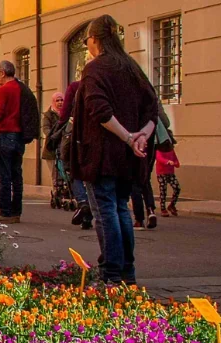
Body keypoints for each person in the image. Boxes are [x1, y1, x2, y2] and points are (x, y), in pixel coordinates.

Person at [67, 14, 160, 285]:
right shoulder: (131, 67)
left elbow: (100, 111)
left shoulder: (95, 69)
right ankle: (126, 272)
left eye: (87, 40)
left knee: (105, 211)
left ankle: (111, 274)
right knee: (120, 208)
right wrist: (141, 136)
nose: (87, 45)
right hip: (126, 157)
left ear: (95, 39)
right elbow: (152, 107)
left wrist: (130, 137)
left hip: (101, 154)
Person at [0, 60, 25, 223]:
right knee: (16, 174)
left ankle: (5, 212)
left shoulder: (3, 90)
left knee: (4, 175)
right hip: (19, 135)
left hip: (5, 134)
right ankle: (16, 210)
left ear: (3, 73)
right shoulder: (21, 88)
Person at [59, 80, 92, 229]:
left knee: (73, 171)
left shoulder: (74, 87)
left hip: (76, 136)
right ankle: (89, 214)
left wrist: (62, 126)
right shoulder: (103, 85)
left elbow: (65, 113)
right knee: (91, 175)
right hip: (95, 138)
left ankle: (83, 202)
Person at [156, 147, 181, 217]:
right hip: (161, 173)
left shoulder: (171, 150)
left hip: (170, 173)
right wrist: (167, 161)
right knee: (163, 190)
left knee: (177, 188)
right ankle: (163, 208)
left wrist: (175, 163)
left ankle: (172, 205)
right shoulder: (159, 149)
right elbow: (159, 158)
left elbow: (176, 161)